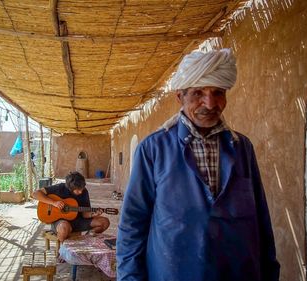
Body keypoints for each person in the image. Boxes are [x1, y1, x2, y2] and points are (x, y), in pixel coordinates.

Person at [116, 49, 280, 281]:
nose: (210, 103)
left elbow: (261, 219)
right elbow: (133, 224)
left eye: (218, 92)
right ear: (179, 97)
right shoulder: (153, 149)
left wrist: (270, 273)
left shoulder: (242, 148)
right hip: (173, 273)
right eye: (198, 93)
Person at [35, 171, 110, 241]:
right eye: (77, 190)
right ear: (70, 188)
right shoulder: (60, 188)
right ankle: (63, 251)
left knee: (104, 222)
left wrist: (93, 214)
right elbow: (35, 194)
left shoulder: (84, 192)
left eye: (82, 188)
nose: (80, 192)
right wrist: (54, 203)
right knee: (64, 228)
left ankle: (86, 240)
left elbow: (84, 214)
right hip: (61, 222)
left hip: (79, 221)